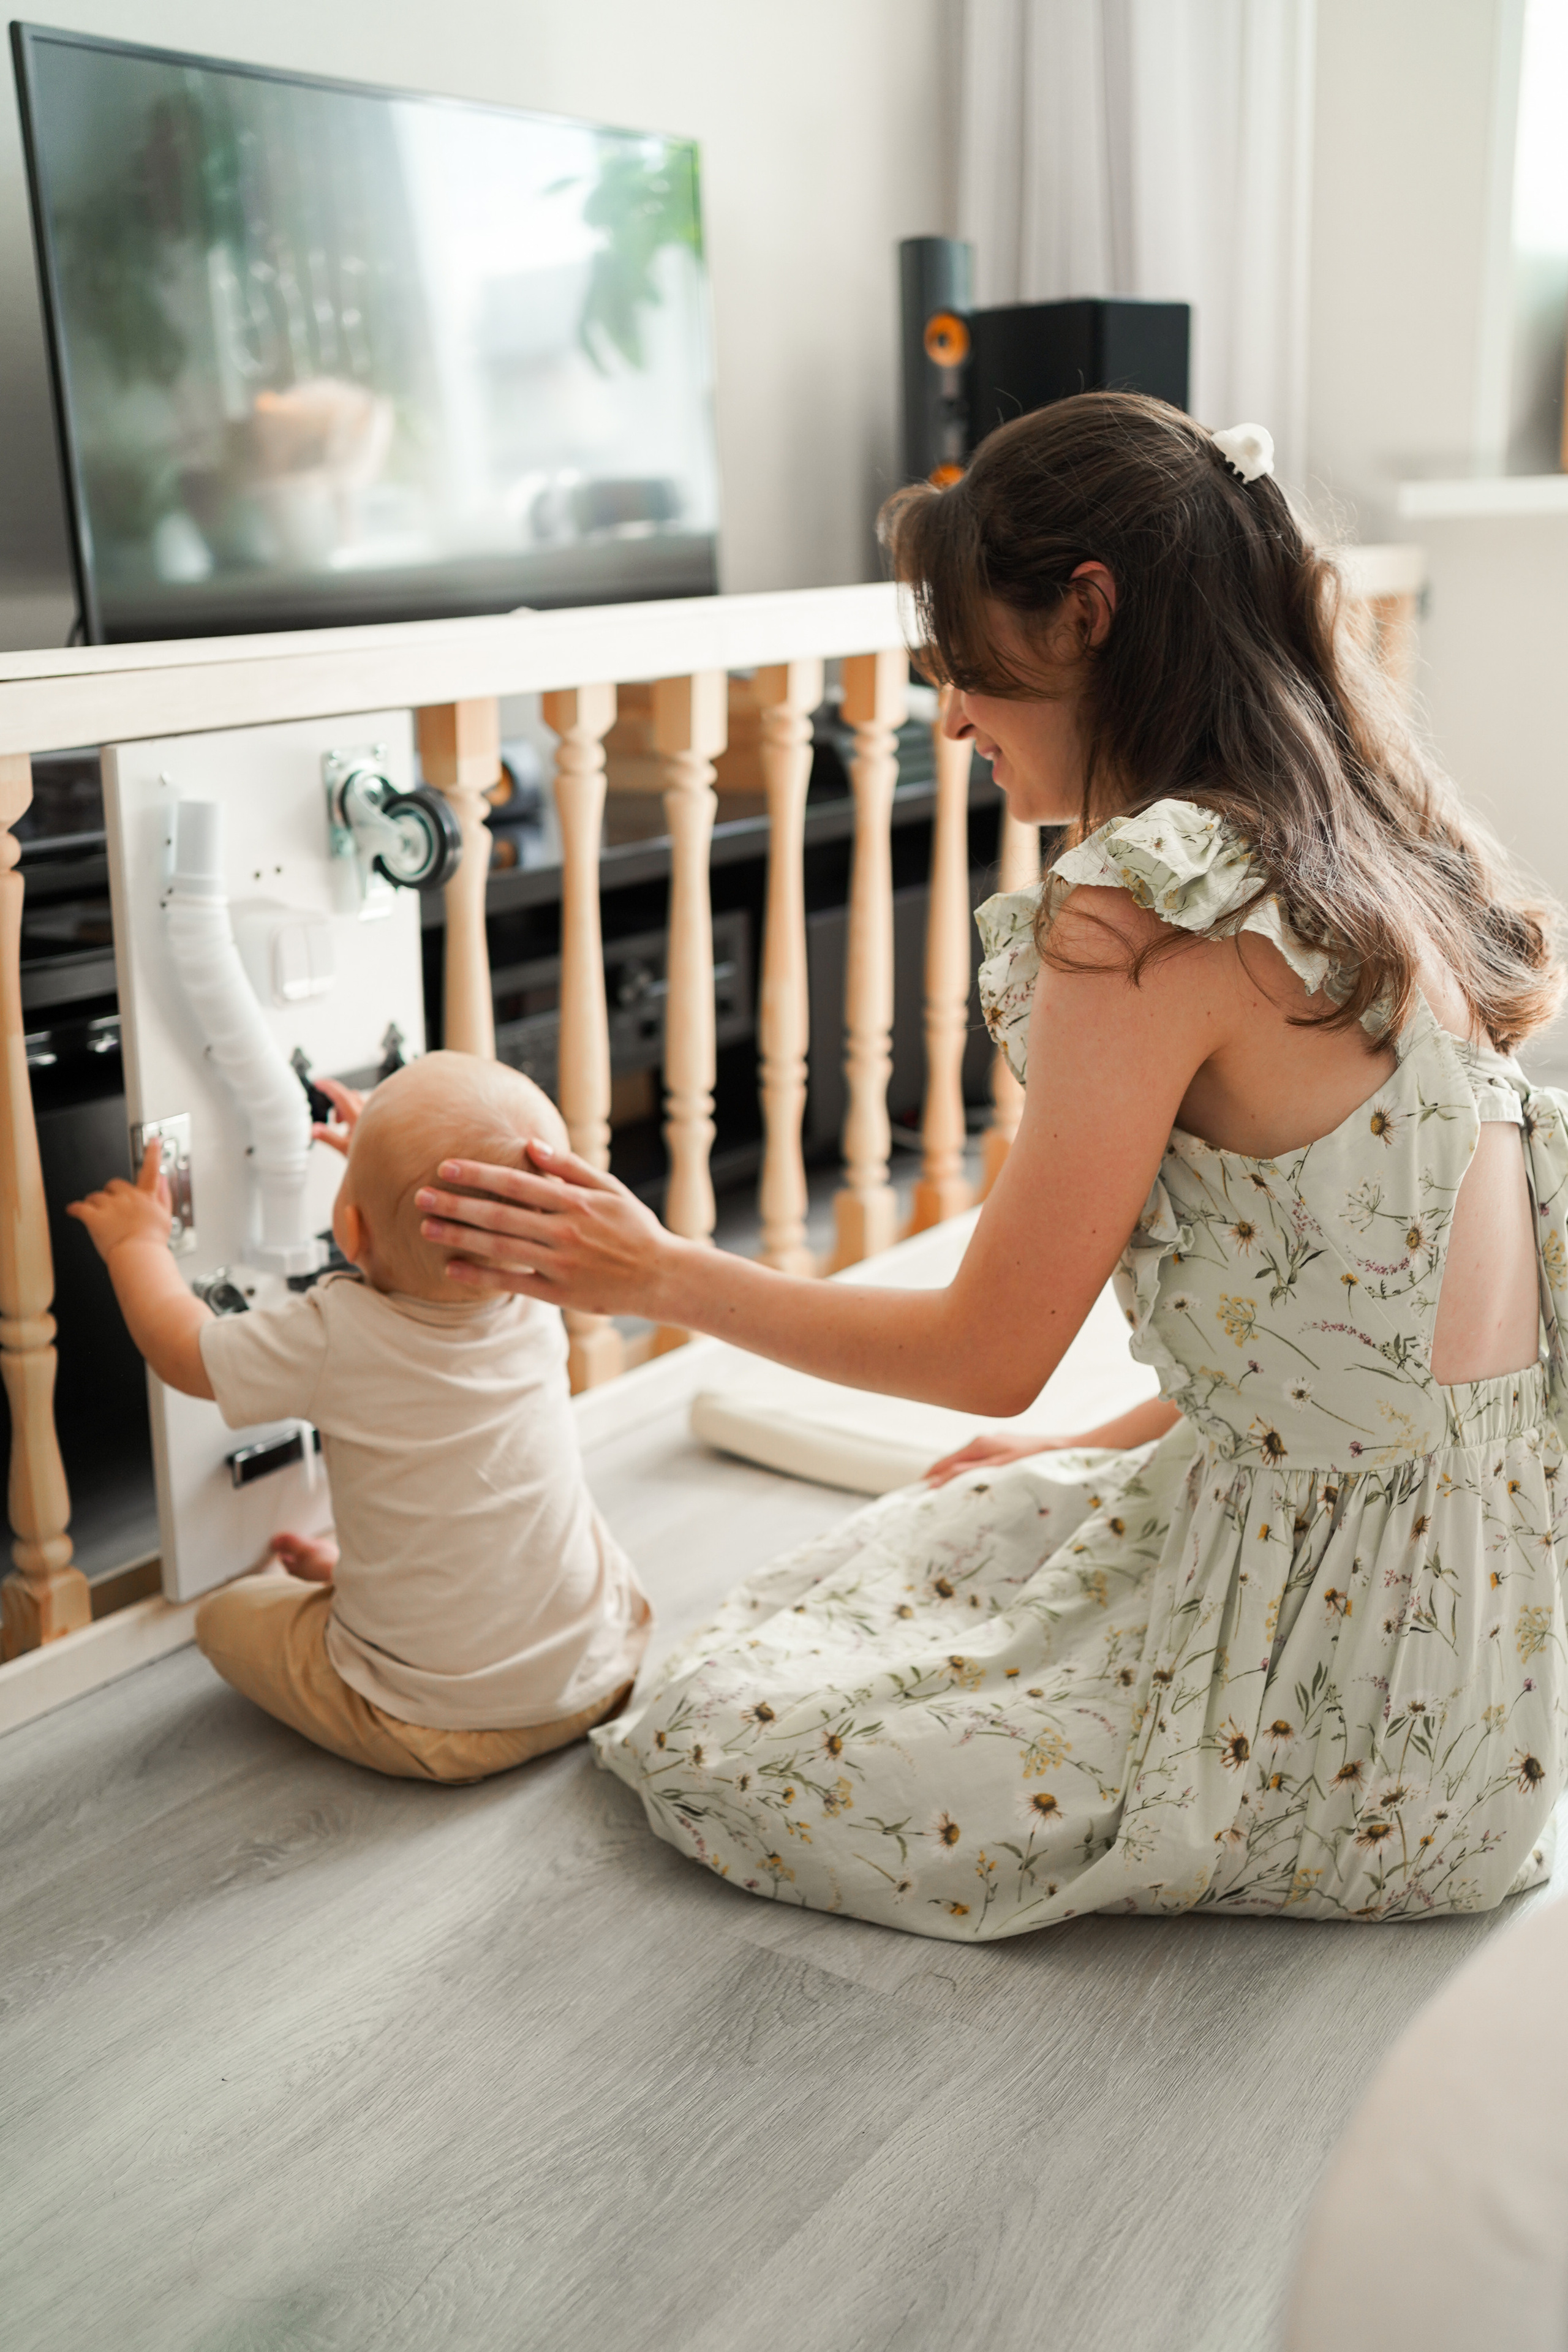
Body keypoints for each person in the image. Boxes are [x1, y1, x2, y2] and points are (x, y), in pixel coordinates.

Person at [414, 393, 1568, 1934]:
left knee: (721, 1726)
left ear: (1085, 613)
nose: (952, 719)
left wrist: (657, 1272)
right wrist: (1084, 1446)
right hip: (1484, 1676)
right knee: (946, 1531)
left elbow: (984, 1355)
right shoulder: (1372, 854)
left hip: (1344, 1711)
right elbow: (1343, 1328)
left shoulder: (1146, 914)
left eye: (964, 664)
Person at [69, 1051, 650, 1784]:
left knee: (225, 1617)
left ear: (348, 1227)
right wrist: (391, 1179)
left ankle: (367, 1612)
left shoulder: (334, 1335)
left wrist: (136, 1244)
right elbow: (431, 1232)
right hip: (598, 1670)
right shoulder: (540, 1296)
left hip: (433, 1725)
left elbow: (185, 1353)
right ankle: (367, 1589)